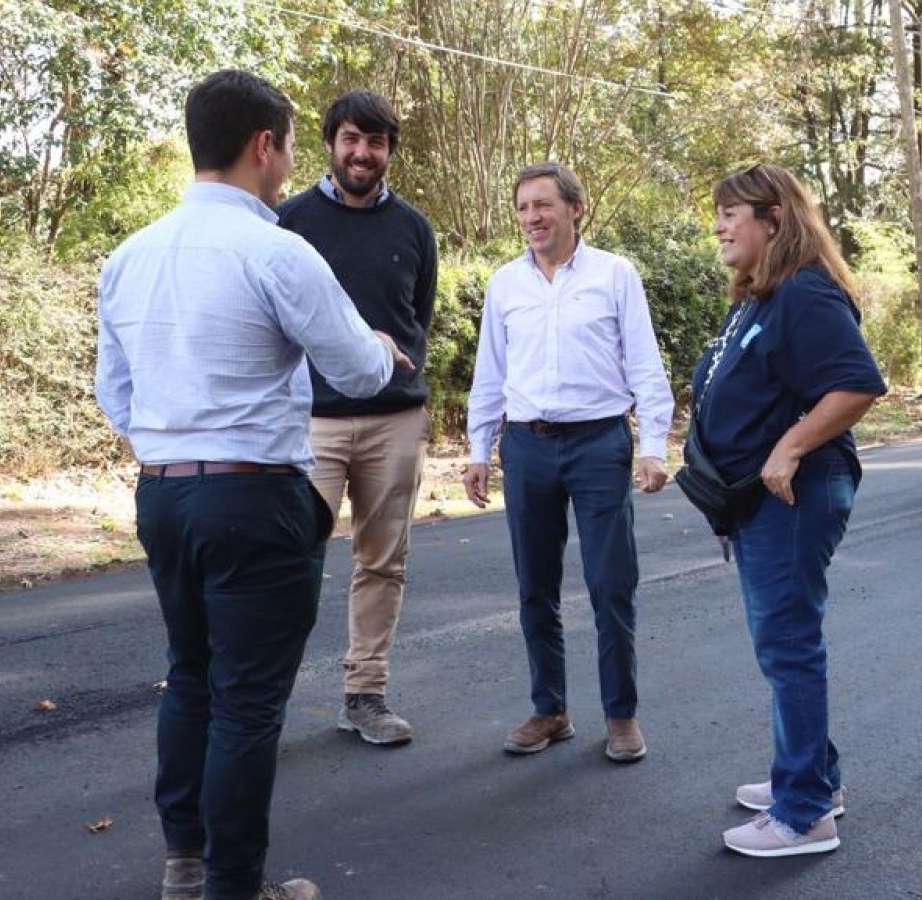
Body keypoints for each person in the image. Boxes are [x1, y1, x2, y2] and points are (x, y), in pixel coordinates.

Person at [96, 69, 412, 900]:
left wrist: (174, 439)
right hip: (254, 494)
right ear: (263, 146)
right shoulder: (276, 249)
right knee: (246, 702)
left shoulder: (129, 256)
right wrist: (382, 345)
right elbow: (352, 366)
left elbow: (115, 396)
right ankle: (236, 886)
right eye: (292, 145)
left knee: (190, 673)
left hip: (162, 492)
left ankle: (184, 865)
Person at [692, 164, 886, 857]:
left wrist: (788, 448)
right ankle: (815, 779)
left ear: (773, 218)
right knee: (783, 648)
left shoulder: (804, 292)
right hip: (757, 503)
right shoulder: (762, 295)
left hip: (793, 497)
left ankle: (804, 814)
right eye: (716, 213)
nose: (718, 225)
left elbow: (858, 384)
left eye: (730, 213)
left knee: (789, 647)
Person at [462, 162, 674, 764]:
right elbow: (490, 374)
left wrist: (654, 445)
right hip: (526, 446)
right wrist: (480, 451)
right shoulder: (505, 284)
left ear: (575, 209)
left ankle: (621, 715)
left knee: (611, 583)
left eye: (543, 205)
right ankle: (549, 709)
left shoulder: (614, 275)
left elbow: (644, 364)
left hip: (599, 444)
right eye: (523, 207)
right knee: (535, 586)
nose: (531, 217)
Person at [278, 90, 438, 747]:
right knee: (287, 561)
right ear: (330, 145)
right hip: (308, 423)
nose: (362, 153)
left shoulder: (414, 229)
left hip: (394, 422)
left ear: (389, 151)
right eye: (351, 139)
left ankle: (364, 696)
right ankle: (261, 702)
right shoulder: (287, 222)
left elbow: (416, 319)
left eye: (375, 142)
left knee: (382, 562)